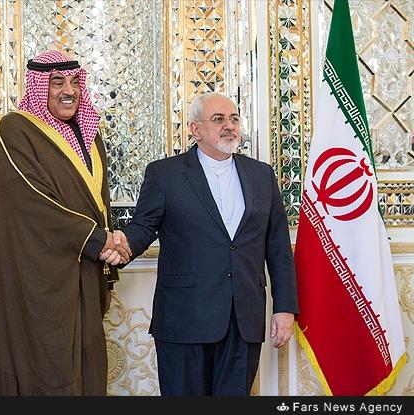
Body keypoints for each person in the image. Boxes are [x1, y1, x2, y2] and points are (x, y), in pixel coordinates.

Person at [113, 92, 298, 396]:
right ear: (195, 129)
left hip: (243, 319)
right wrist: (124, 244)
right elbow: (143, 227)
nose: (229, 126)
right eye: (218, 119)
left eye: (234, 119)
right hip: (185, 318)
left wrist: (285, 308)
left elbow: (277, 246)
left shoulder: (261, 174)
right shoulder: (165, 174)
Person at [0, 50, 131, 395]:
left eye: (74, 82)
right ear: (38, 86)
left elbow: (97, 200)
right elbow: (34, 203)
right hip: (38, 277)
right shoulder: (14, 130)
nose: (69, 91)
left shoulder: (90, 135)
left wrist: (110, 242)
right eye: (57, 82)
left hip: (85, 269)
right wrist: (98, 241)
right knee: (45, 370)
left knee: (87, 371)